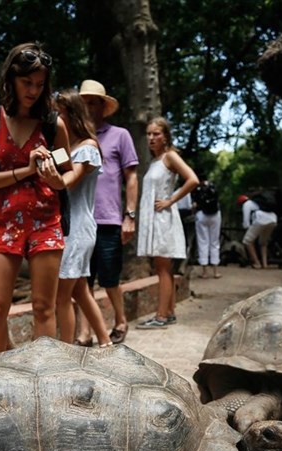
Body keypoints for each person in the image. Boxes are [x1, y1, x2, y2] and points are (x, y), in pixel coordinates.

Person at [0, 43, 70, 354]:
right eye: (26, 82)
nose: (33, 90)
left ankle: (45, 377)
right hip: (4, 222)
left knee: (44, 308)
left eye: (39, 84)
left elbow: (66, 174)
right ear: (11, 79)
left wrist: (56, 180)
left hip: (46, 222)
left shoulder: (52, 124)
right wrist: (26, 170)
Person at [74, 80, 139, 345]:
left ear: (103, 106)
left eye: (93, 102)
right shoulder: (72, 138)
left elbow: (131, 178)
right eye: (84, 103)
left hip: (110, 218)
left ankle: (121, 320)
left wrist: (130, 215)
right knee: (81, 279)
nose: (88, 108)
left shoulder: (119, 135)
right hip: (80, 219)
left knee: (110, 276)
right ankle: (84, 332)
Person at [51, 89, 112, 348]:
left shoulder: (88, 147)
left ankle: (64, 351)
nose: (54, 118)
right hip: (71, 226)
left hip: (77, 227)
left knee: (61, 297)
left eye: (58, 112)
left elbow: (69, 182)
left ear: (71, 114)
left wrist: (50, 178)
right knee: (80, 291)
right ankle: (106, 342)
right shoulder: (68, 147)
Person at [135, 117, 198, 329]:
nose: (151, 138)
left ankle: (160, 316)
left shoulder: (170, 156)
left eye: (156, 134)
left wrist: (171, 200)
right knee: (163, 268)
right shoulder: (155, 161)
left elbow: (193, 179)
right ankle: (169, 312)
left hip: (163, 219)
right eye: (149, 134)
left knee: (162, 268)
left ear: (166, 136)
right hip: (155, 219)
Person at [193, 177, 222, 278]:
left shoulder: (198, 189)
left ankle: (204, 272)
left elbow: (194, 204)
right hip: (215, 215)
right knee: (214, 242)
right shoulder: (213, 187)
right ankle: (215, 271)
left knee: (203, 241)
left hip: (201, 215)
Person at [240, 193, 278, 269]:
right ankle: (265, 264)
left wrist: (247, 228)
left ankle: (257, 263)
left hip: (261, 219)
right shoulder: (257, 202)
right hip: (273, 219)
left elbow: (246, 222)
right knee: (263, 243)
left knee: (247, 241)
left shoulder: (246, 205)